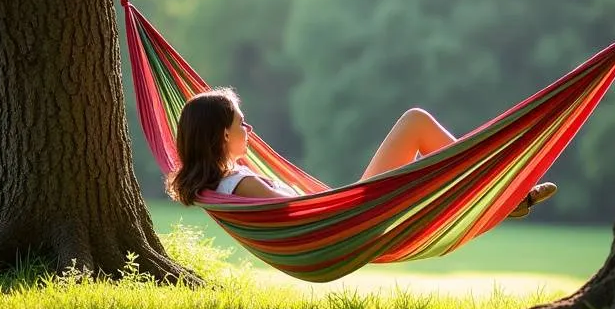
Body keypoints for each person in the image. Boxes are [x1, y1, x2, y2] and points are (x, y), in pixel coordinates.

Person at [166, 88, 557, 215]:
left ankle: (501, 197)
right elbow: (300, 216)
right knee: (416, 122)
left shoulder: (227, 180)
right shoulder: (242, 183)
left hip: (344, 214)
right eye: (240, 124)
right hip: (347, 214)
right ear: (221, 137)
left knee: (421, 137)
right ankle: (501, 192)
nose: (248, 129)